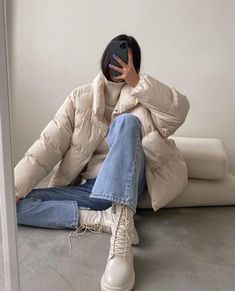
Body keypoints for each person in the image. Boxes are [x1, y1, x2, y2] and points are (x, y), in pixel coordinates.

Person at [14, 34, 190, 291]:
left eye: (128, 59)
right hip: (93, 189)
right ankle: (100, 219)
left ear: (136, 64)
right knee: (10, 207)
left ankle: (120, 243)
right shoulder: (79, 98)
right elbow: (48, 145)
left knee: (127, 123)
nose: (120, 62)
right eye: (117, 56)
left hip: (132, 184)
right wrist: (15, 190)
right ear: (106, 58)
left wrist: (137, 82)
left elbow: (180, 110)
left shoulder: (145, 98)